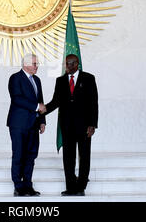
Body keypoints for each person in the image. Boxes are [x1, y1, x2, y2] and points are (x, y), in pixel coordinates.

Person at [43, 54, 98, 196]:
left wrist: (92, 124)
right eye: (66, 63)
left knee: (84, 156)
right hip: (67, 126)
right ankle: (70, 187)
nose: (66, 66)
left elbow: (93, 103)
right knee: (68, 157)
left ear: (76, 64)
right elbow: (55, 102)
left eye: (69, 63)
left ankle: (81, 187)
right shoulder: (60, 81)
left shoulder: (88, 78)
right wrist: (41, 113)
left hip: (85, 126)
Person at [7, 53, 46, 196]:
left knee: (31, 156)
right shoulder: (15, 78)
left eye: (37, 64)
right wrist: (37, 107)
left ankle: (28, 185)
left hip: (34, 125)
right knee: (19, 155)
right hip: (18, 124)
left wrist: (42, 121)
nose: (37, 66)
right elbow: (17, 99)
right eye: (35, 64)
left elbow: (40, 100)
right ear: (26, 65)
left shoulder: (37, 80)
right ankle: (18, 186)